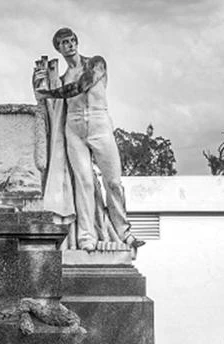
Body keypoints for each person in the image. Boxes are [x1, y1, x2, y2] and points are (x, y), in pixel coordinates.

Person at [34, 28, 143, 252]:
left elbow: (80, 87)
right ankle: (86, 237)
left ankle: (124, 232)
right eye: (64, 42)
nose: (70, 45)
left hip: (99, 122)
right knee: (83, 183)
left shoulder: (95, 64)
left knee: (113, 181)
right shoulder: (61, 79)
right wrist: (40, 86)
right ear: (59, 48)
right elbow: (51, 109)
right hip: (73, 128)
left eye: (72, 40)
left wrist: (48, 93)